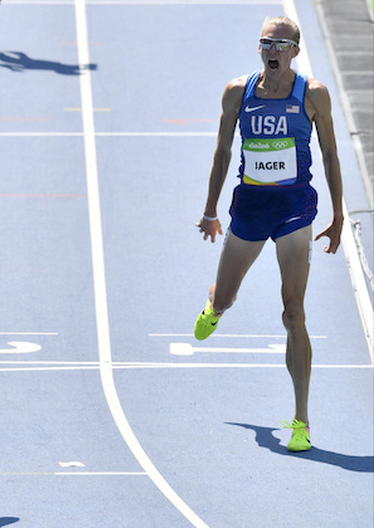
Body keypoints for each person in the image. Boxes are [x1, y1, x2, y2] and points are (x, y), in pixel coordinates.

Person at [194, 16, 343, 452]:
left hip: (295, 210)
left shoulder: (313, 94)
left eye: (281, 44)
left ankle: (302, 421)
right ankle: (217, 304)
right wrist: (209, 211)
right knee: (224, 298)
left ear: (295, 50)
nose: (272, 50)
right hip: (250, 209)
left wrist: (337, 215)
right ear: (259, 48)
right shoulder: (237, 92)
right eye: (266, 43)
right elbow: (223, 151)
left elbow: (330, 153)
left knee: (294, 313)